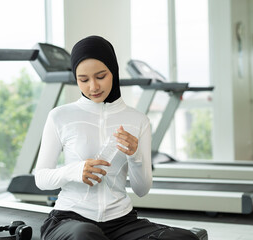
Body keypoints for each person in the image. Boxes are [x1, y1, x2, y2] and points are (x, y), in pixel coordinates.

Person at [35, 35, 200, 240]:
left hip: (122, 221)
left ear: (113, 71)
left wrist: (135, 155)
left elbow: (142, 190)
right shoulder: (60, 116)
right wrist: (75, 171)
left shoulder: (138, 120)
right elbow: (41, 178)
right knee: (86, 234)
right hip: (71, 220)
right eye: (83, 80)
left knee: (185, 239)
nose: (93, 87)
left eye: (101, 76)